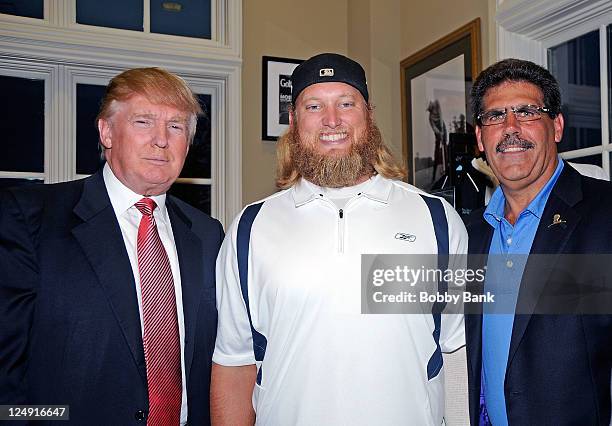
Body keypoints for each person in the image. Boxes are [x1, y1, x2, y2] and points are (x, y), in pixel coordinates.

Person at [211, 53, 468, 425]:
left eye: (346, 104)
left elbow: (456, 350)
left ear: (369, 115)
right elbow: (234, 363)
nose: (332, 120)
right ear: (293, 121)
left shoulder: (437, 219)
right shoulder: (250, 227)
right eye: (314, 106)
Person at [0, 67, 224, 425]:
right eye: (143, 122)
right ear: (106, 131)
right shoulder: (30, 218)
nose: (161, 140)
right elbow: (6, 371)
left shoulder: (208, 234)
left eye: (176, 126)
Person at [464, 58, 612, 425]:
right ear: (481, 138)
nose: (510, 128)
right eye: (495, 116)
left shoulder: (605, 214)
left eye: (527, 112)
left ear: (557, 126)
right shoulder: (468, 233)